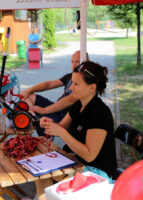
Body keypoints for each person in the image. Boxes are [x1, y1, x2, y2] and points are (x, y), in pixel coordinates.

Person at [36, 61, 117, 200]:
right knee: (40, 172)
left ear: (92, 87)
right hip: (79, 164)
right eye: (72, 82)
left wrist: (61, 132)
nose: (71, 87)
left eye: (76, 84)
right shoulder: (79, 104)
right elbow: (60, 128)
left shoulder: (99, 113)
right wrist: (47, 124)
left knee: (43, 175)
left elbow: (89, 155)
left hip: (97, 174)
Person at [22, 50, 89, 136]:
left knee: (43, 121)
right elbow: (49, 84)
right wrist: (29, 90)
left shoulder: (86, 80)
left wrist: (44, 110)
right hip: (57, 108)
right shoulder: (70, 75)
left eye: (77, 61)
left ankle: (44, 137)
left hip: (67, 116)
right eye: (72, 61)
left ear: (87, 62)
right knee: (27, 96)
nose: (74, 64)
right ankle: (36, 119)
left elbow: (70, 100)